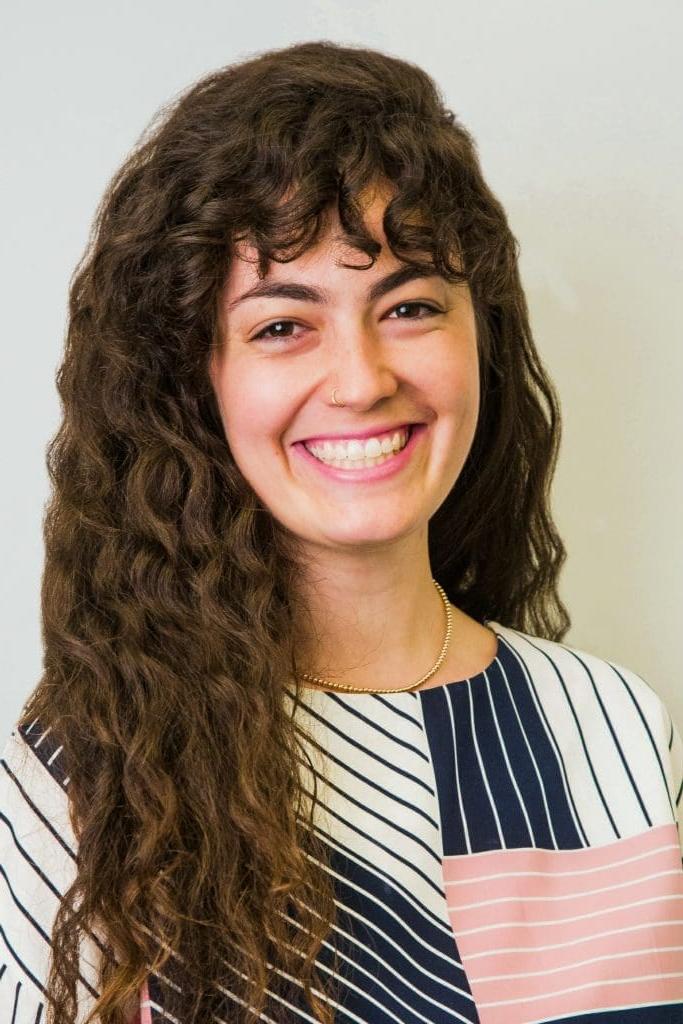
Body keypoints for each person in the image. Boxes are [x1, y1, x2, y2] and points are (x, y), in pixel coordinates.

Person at [1, 39, 682, 1024]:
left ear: (477, 336)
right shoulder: (87, 775)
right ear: (197, 381)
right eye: (283, 324)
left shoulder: (616, 729)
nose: (361, 379)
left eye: (407, 305)